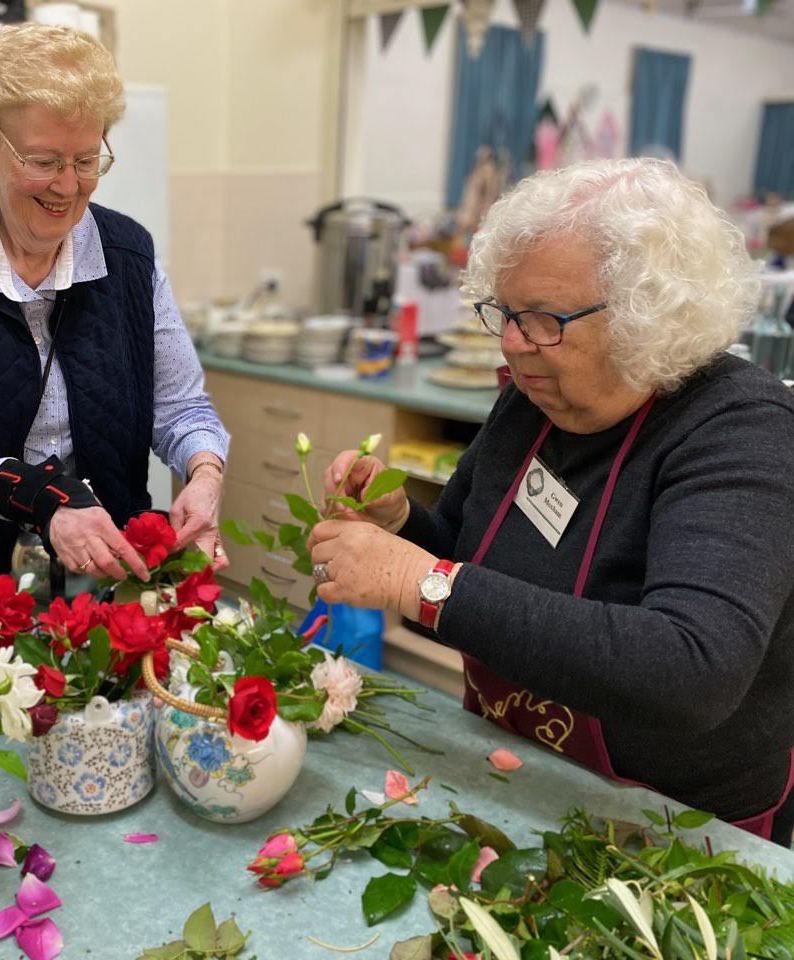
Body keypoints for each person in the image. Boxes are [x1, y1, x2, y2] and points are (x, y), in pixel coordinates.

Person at [309, 158, 794, 843]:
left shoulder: (742, 429)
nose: (510, 343)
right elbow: (460, 582)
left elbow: (692, 670)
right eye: (505, 312)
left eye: (542, 319)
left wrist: (415, 579)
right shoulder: (529, 401)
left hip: (675, 829)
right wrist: (401, 531)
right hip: (522, 776)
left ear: (643, 317)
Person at [0, 22, 229, 605]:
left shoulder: (127, 254)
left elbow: (180, 406)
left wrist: (203, 474)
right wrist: (41, 498)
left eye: (86, 159)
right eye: (43, 160)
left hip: (98, 568)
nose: (67, 187)